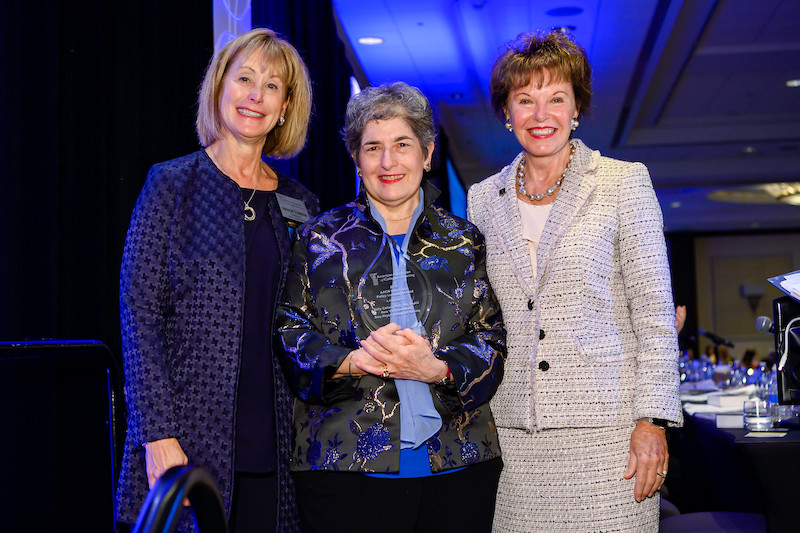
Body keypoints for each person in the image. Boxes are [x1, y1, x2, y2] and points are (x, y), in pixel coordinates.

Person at [467, 30, 682, 532]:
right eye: (525, 100)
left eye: (556, 98)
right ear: (507, 112)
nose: (541, 115)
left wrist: (652, 422)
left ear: (576, 107)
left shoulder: (622, 183)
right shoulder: (482, 199)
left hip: (611, 442)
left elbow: (654, 314)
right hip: (513, 443)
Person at [275, 82, 505, 533]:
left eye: (402, 145)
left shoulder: (463, 239)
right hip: (342, 466)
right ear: (356, 160)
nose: (387, 162)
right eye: (372, 147)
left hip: (459, 463)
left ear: (426, 152)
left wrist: (436, 369)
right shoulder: (319, 237)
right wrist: (352, 361)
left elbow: (491, 337)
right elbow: (289, 329)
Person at [116, 28, 318, 533]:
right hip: (185, 440)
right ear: (219, 87)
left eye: (272, 86)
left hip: (278, 451)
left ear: (286, 106)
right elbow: (137, 310)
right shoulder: (171, 183)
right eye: (244, 78)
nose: (255, 95)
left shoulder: (304, 205)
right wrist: (156, 433)